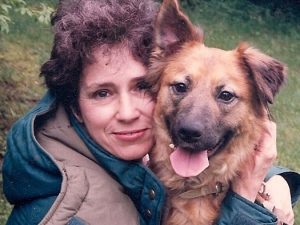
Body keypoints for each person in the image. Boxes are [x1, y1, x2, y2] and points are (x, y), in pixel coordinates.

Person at [2, 0, 299, 225]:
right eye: (102, 93)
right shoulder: (63, 212)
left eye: (142, 87)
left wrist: (273, 180)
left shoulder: (136, 155)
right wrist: (244, 200)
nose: (128, 112)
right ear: (73, 104)